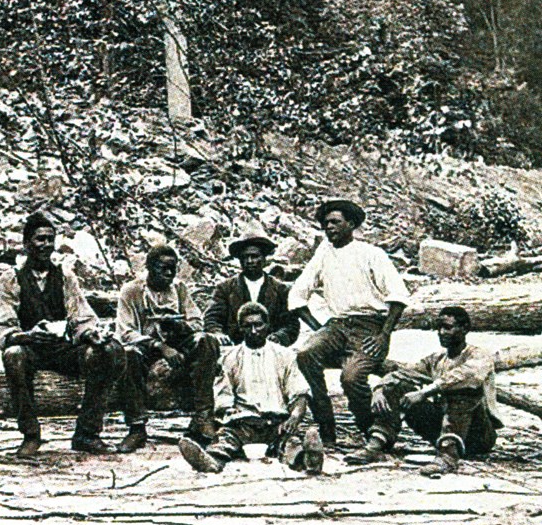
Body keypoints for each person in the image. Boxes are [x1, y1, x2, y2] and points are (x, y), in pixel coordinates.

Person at [0, 212, 124, 458]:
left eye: (50, 239)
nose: (46, 245)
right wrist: (24, 335)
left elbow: (81, 316)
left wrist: (90, 334)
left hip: (62, 349)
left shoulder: (65, 277)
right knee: (13, 355)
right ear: (26, 244)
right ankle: (31, 434)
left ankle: (87, 433)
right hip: (33, 348)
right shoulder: (11, 279)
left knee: (105, 351)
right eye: (39, 239)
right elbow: (2, 325)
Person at [289, 198, 410, 445]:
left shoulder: (372, 254)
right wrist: (318, 328)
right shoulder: (323, 253)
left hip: (370, 326)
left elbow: (398, 297)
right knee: (305, 354)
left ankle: (370, 429)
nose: (329, 227)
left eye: (335, 222)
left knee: (351, 377)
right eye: (325, 224)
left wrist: (383, 335)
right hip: (337, 324)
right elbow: (297, 295)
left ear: (351, 224)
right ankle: (326, 425)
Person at [345, 306, 503, 477]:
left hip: (477, 436)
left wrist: (425, 392)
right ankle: (377, 443)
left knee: (461, 390)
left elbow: (465, 376)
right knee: (396, 386)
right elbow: (403, 373)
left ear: (465, 329)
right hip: (442, 429)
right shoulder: (436, 360)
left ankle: (448, 457)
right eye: (439, 328)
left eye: (448, 327)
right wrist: (380, 389)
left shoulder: (479, 356)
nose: (442, 332)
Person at [179, 302, 323, 475]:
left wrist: (294, 417)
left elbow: (299, 392)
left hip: (276, 423)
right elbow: (222, 393)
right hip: (243, 424)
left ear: (268, 326)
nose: (254, 331)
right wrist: (227, 411)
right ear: (240, 328)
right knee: (224, 441)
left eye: (258, 325)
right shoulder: (230, 357)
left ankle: (309, 460)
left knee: (290, 443)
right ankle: (210, 462)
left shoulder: (284, 355)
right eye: (248, 326)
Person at [116, 244, 219, 447]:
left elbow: (197, 321)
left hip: (178, 342)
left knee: (206, 342)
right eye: (162, 268)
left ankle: (203, 417)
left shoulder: (179, 289)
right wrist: (159, 346)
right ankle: (137, 427)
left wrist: (180, 325)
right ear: (149, 267)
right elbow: (126, 332)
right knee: (128, 354)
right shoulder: (131, 291)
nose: (169, 273)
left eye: (173, 268)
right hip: (146, 347)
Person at [204, 224, 299, 347]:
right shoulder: (225, 288)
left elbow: (291, 323)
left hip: (270, 349)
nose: (249, 261)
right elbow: (213, 318)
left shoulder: (281, 289)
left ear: (264, 259)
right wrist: (218, 334)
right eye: (244, 257)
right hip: (234, 348)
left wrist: (279, 337)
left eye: (254, 256)